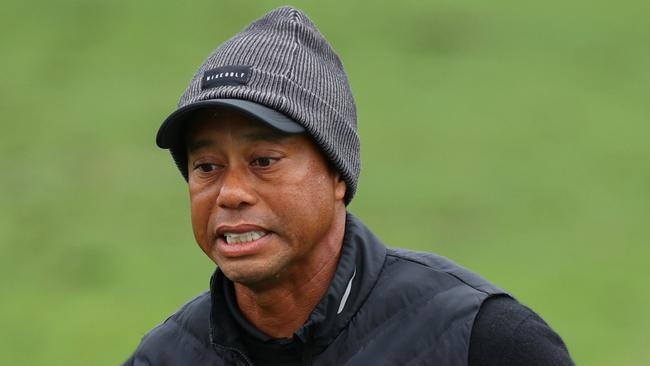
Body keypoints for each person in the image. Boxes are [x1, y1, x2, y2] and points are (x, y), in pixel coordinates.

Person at [125, 6, 574, 366]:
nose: (230, 193)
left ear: (337, 174)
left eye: (263, 161)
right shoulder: (164, 356)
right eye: (206, 166)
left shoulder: (482, 340)